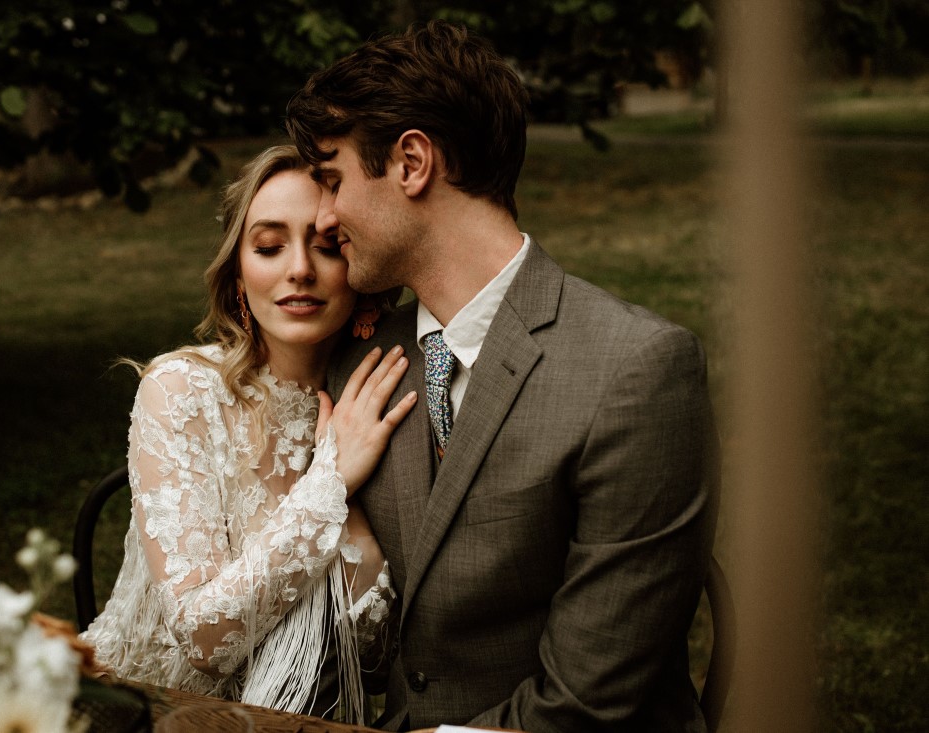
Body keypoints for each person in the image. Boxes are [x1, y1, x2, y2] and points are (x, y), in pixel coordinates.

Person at [285, 20, 720, 733]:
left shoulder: (636, 371)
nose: (325, 220)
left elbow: (588, 701)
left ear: (413, 162)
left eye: (333, 182)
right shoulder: (362, 359)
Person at [80, 145, 417, 724]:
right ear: (238, 272)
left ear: (360, 268)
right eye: (268, 246)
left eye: (326, 244)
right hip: (150, 715)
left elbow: (384, 657)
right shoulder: (182, 392)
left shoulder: (384, 404)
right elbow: (204, 641)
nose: (299, 270)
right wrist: (331, 481)